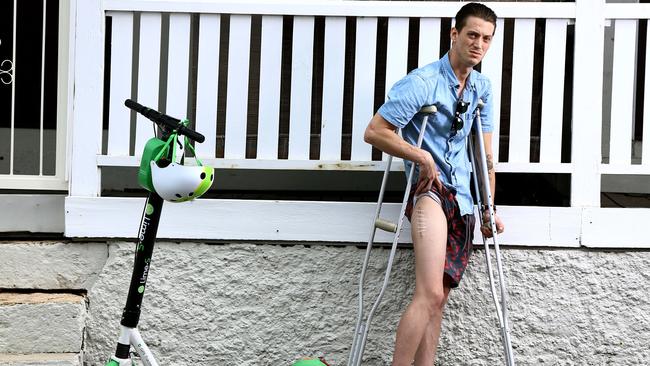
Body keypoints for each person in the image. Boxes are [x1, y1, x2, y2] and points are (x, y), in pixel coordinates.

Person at [363, 3, 505, 365]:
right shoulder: (421, 82)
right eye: (472, 35)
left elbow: (485, 155)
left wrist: (489, 207)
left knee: (439, 296)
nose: (479, 44)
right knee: (428, 293)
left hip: (465, 198)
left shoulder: (482, 88)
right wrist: (421, 156)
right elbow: (375, 132)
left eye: (486, 39)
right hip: (431, 192)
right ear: (454, 34)